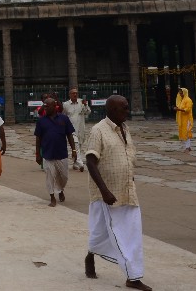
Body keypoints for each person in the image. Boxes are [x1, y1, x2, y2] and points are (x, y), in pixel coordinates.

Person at [85, 95, 153, 291]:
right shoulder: (98, 130)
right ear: (112, 110)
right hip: (108, 195)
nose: (128, 110)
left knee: (107, 232)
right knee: (125, 236)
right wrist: (104, 190)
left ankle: (91, 253)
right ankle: (133, 276)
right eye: (124, 108)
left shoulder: (124, 128)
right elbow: (90, 161)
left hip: (128, 191)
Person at [35, 95, 77, 207]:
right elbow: (38, 138)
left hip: (61, 153)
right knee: (50, 176)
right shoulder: (41, 121)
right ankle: (52, 197)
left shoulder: (64, 119)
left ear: (55, 106)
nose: (45, 108)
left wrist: (74, 150)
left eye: (47, 106)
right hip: (47, 154)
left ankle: (60, 189)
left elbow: (69, 135)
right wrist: (38, 154)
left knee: (63, 177)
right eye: (44, 106)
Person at [63, 88, 91, 171]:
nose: (75, 95)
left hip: (81, 128)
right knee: (76, 144)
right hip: (71, 129)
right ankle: (80, 163)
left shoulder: (82, 102)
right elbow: (63, 115)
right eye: (73, 93)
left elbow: (88, 112)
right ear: (70, 95)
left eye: (76, 93)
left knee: (80, 144)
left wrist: (85, 105)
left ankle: (75, 163)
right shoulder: (66, 104)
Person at [174, 87, 194, 153]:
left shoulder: (188, 100)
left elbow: (187, 110)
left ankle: (187, 147)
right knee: (184, 132)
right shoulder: (181, 100)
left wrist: (179, 109)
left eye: (181, 93)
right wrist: (177, 108)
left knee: (187, 132)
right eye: (180, 93)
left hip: (187, 119)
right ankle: (188, 146)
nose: (180, 94)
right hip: (182, 119)